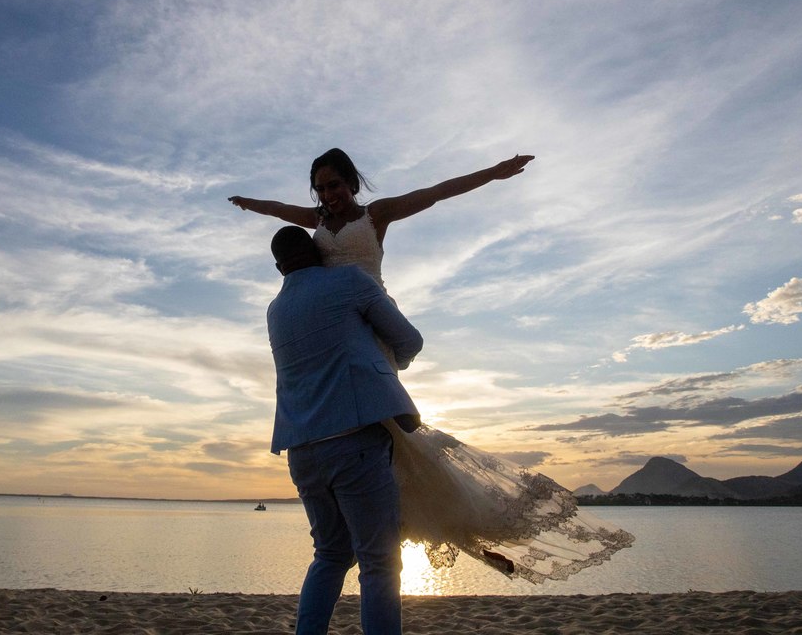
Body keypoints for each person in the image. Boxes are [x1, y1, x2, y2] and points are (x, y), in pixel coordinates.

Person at [234, 150, 634, 583]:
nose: (329, 195)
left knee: (386, 433)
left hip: (375, 323)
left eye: (335, 185)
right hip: (343, 333)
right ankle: (448, 535)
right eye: (322, 188)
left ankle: (451, 532)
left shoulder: (375, 216)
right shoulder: (316, 222)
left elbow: (436, 194)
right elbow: (277, 211)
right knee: (391, 444)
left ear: (352, 182)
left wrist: (493, 174)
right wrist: (249, 204)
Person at [267, 225, 423, 635]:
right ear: (319, 251)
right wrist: (392, 362)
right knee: (379, 561)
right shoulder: (349, 280)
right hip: (354, 441)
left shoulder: (275, 309)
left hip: (300, 450)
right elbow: (410, 338)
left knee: (331, 553)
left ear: (279, 266)